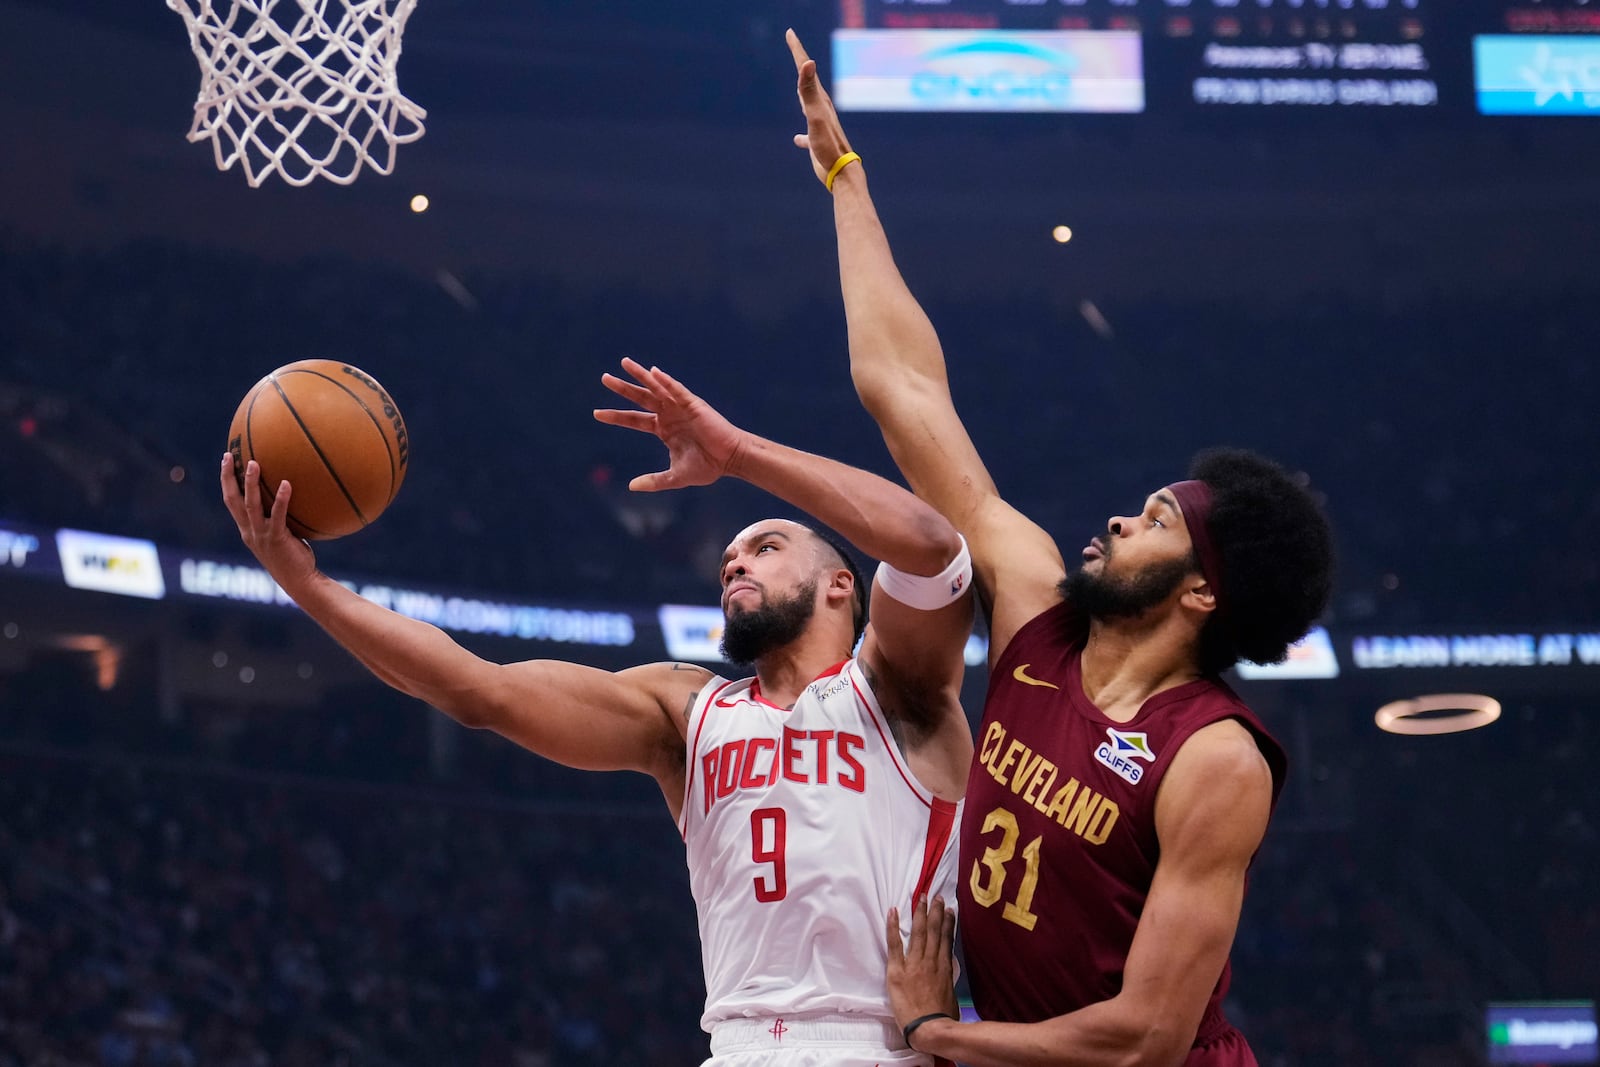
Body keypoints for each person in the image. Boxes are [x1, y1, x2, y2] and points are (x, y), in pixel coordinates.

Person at [785, 31, 1335, 1067]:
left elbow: (1143, 1038)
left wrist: (938, 1032)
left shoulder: (1214, 756)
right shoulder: (1037, 603)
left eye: (1157, 521)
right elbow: (902, 389)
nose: (1122, 521)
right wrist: (843, 179)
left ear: (1203, 594)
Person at [220, 357, 975, 1067]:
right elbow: (477, 690)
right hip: (740, 1044)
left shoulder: (898, 688)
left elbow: (934, 548)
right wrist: (308, 586)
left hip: (885, 1043)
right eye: (728, 561)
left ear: (842, 584)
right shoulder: (685, 710)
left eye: (767, 547)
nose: (736, 563)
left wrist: (737, 451)